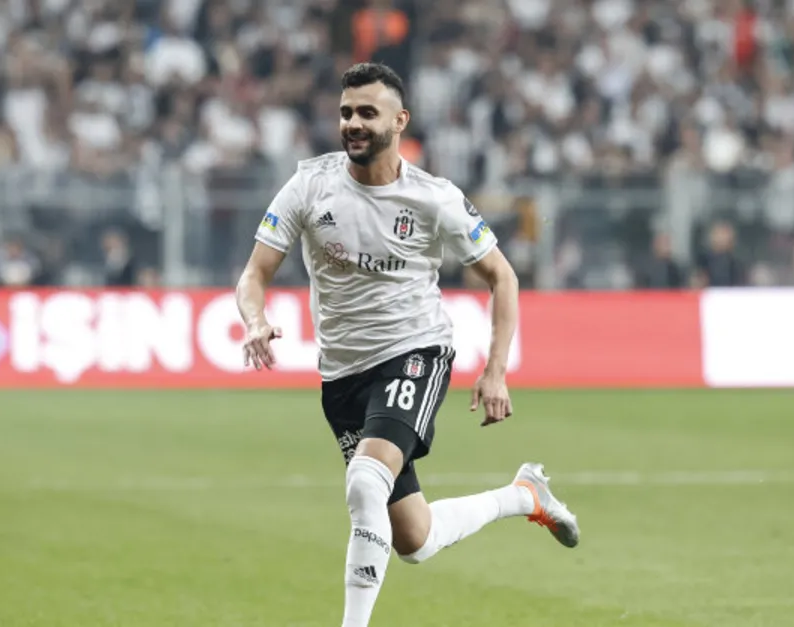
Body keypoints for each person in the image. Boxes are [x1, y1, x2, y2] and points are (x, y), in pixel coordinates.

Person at [234, 62, 579, 627]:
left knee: (365, 480)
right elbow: (255, 274)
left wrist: (496, 369)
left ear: (399, 121)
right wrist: (255, 319)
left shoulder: (433, 198)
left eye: (367, 113)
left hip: (414, 352)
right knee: (414, 539)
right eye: (346, 112)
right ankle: (524, 496)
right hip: (342, 376)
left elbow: (503, 276)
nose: (353, 123)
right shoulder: (309, 186)